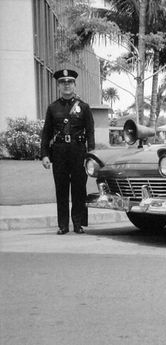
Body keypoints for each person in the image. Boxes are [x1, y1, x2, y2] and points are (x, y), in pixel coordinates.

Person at [40, 69, 95, 235]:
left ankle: (78, 224)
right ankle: (63, 225)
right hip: (59, 152)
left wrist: (91, 155)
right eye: (63, 83)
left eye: (69, 82)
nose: (66, 85)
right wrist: (44, 155)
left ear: (74, 85)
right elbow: (46, 133)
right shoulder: (52, 108)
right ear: (58, 86)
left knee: (79, 189)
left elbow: (90, 132)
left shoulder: (84, 107)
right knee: (61, 189)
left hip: (79, 152)